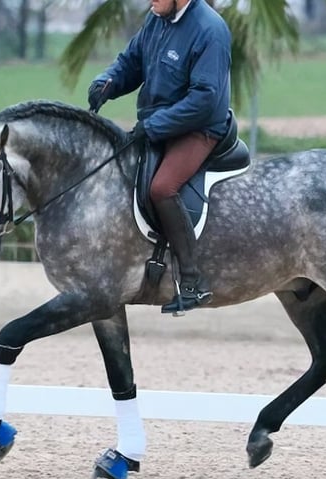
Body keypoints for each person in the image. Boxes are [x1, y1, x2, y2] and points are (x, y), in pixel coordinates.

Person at [88, 0, 232, 314]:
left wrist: (153, 126)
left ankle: (192, 282)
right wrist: (106, 83)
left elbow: (205, 100)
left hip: (198, 128)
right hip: (159, 125)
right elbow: (131, 62)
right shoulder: (157, 18)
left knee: (161, 188)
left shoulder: (210, 30)